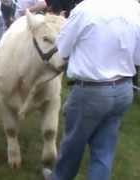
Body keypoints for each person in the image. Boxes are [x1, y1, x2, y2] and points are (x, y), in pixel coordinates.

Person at [45, 0, 140, 179]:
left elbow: (63, 49)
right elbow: (138, 57)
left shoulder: (85, 9)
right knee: (104, 150)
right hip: (123, 89)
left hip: (91, 91)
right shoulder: (134, 7)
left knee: (73, 145)